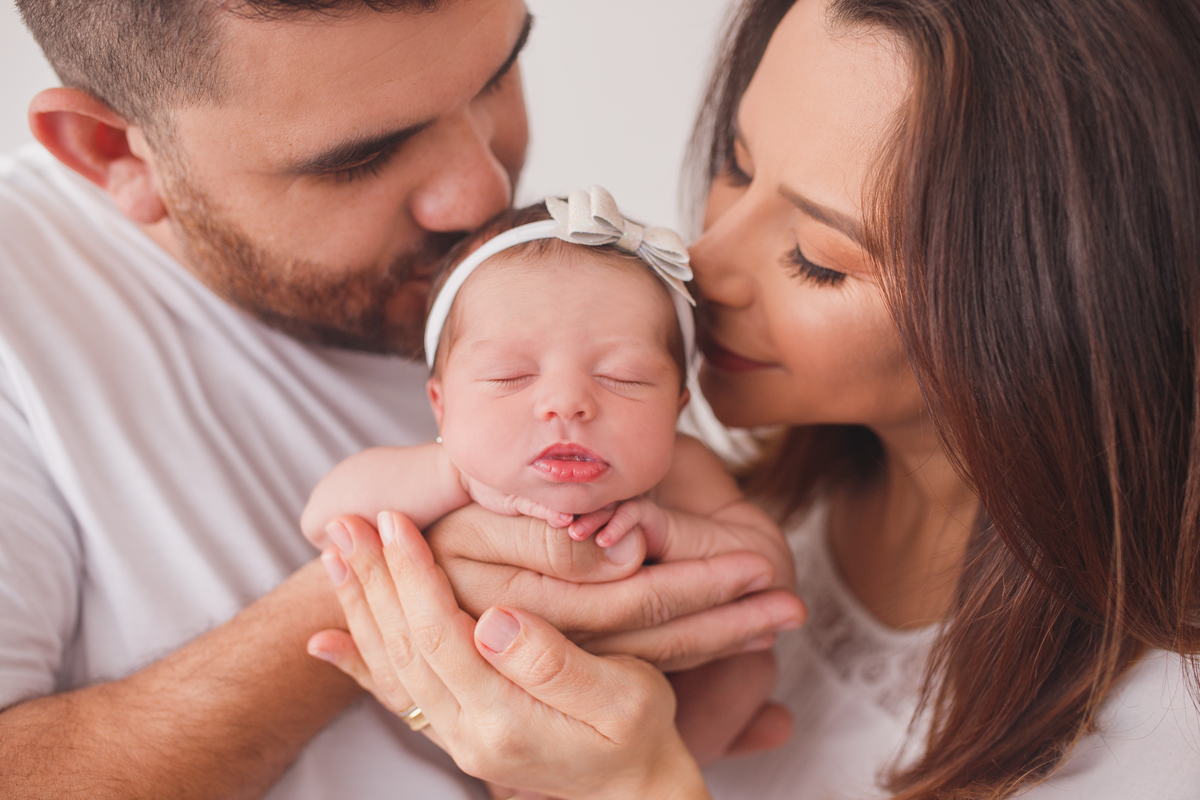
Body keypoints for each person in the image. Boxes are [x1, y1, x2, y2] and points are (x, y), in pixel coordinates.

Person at [314, 0, 1200, 798]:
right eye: (736, 168)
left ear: (1057, 311)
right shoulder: (774, 488)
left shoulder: (1165, 735)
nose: (699, 267)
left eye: (816, 255)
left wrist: (643, 784)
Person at [0, 2, 805, 798]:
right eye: (361, 158)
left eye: (496, 76)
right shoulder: (26, 318)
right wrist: (417, 586)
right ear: (115, 150)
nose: (482, 195)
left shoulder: (559, 298)